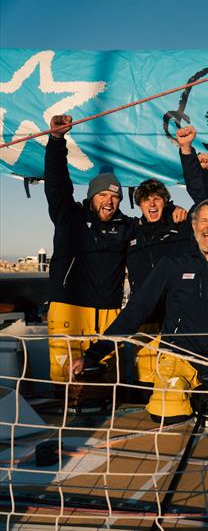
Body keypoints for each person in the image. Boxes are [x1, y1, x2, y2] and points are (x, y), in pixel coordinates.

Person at [72, 199, 208, 423]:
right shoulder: (173, 264)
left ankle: (207, 399)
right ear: (194, 227)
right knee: (166, 413)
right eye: (203, 221)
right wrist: (94, 353)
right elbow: (137, 309)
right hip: (178, 357)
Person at [43, 115, 137, 390]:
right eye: (103, 195)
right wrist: (57, 140)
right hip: (68, 308)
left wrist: (172, 212)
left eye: (115, 196)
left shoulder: (126, 226)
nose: (109, 201)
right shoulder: (68, 215)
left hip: (107, 312)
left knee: (105, 381)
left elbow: (155, 227)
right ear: (92, 196)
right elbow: (56, 181)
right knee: (65, 379)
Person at [126, 179, 192, 399]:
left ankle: (174, 402)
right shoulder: (132, 231)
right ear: (139, 204)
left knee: (172, 363)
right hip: (144, 311)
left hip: (174, 311)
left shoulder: (179, 225)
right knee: (144, 365)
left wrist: (175, 209)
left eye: (157, 199)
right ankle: (144, 403)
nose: (152, 204)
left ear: (165, 201)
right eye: (146, 200)